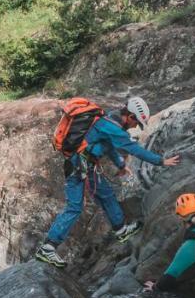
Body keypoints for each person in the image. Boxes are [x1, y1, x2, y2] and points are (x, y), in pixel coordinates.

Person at [35, 96, 181, 267]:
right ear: (131, 116)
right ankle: (48, 247)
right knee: (74, 207)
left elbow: (109, 146)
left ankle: (120, 229)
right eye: (137, 123)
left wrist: (120, 164)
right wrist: (161, 161)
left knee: (106, 195)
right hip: (79, 166)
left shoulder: (110, 120)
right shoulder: (114, 128)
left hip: (87, 165)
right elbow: (133, 149)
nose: (135, 127)